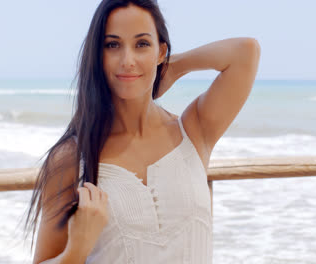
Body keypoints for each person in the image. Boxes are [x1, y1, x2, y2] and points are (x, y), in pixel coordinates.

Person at [23, 0, 261, 263]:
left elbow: (245, 52)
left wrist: (173, 66)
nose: (128, 60)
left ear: (160, 52)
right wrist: (76, 249)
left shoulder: (193, 131)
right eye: (112, 45)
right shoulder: (71, 157)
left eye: (142, 44)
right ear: (97, 55)